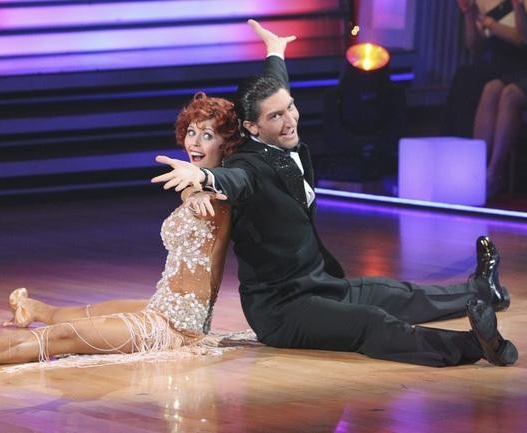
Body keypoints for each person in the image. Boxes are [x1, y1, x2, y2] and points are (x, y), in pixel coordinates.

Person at [153, 20, 517, 367]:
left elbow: (276, 85)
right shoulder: (247, 166)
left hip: (318, 284)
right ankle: (476, 346)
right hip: (282, 309)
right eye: (276, 116)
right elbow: (233, 181)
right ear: (251, 127)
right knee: (371, 322)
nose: (290, 119)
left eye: (290, 108)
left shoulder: (277, 130)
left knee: (394, 293)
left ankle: (484, 291)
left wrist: (275, 51)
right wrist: (200, 176)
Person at [0, 91, 240, 370]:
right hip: (161, 305)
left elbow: (214, 199)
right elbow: (190, 191)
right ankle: (36, 310)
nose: (194, 142)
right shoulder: (192, 186)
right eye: (192, 132)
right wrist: (192, 189)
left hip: (176, 328)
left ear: (226, 145)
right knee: (85, 312)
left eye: (207, 135)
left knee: (62, 336)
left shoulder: (222, 196)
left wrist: (197, 190)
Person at [469, 0, 527, 197]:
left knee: (510, 94)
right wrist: (469, 14)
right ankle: (476, 171)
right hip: (512, 69)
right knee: (491, 89)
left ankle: (495, 173)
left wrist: (517, 7)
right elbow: (474, 48)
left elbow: (522, 39)